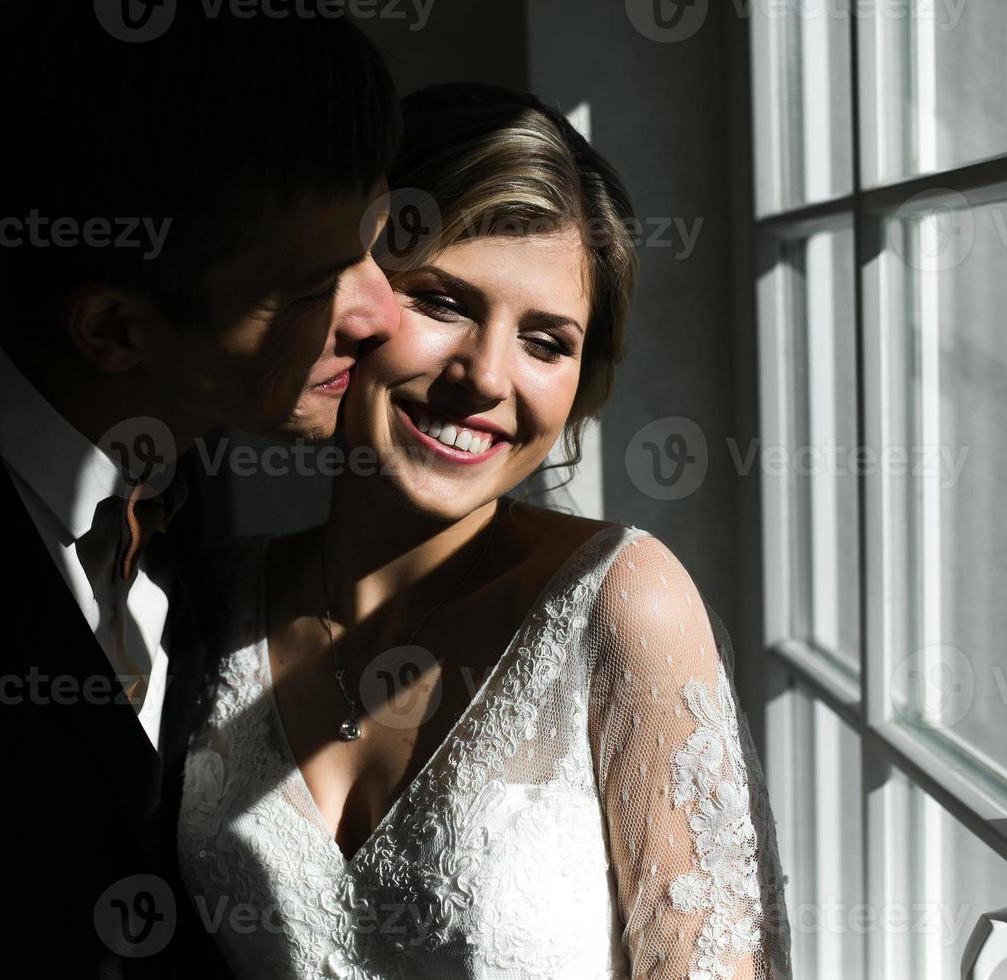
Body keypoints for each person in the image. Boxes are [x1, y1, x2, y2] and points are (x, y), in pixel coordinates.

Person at [0, 2, 401, 976]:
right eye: (311, 291)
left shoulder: (191, 479)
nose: (383, 312)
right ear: (115, 333)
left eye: (378, 238)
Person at [179, 83, 793, 979]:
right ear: (349, 298)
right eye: (442, 302)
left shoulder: (621, 605)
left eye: (547, 342)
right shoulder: (209, 600)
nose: (486, 376)